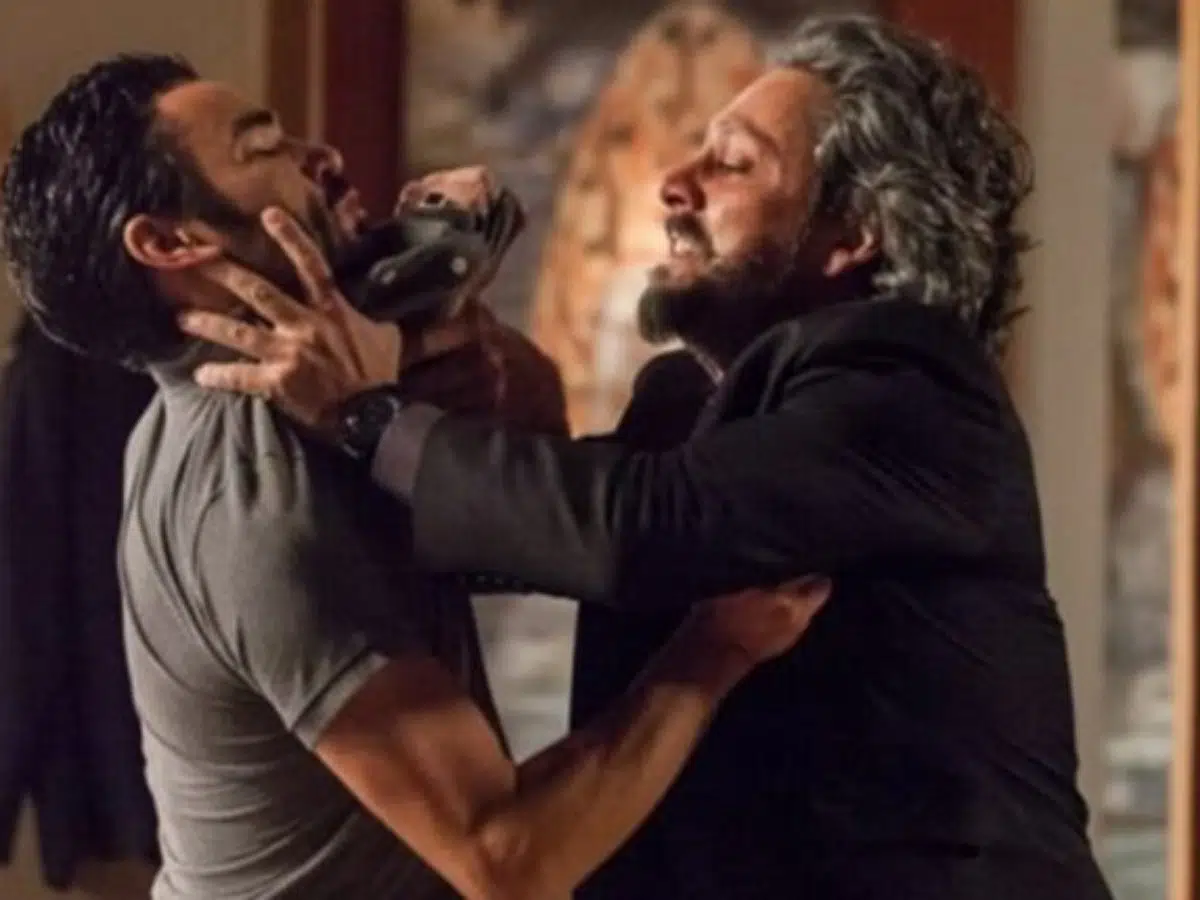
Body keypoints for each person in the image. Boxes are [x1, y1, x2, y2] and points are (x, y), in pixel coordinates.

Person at [177, 15, 1117, 900]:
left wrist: (367, 416)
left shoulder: (909, 382)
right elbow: (539, 528)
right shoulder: (689, 405)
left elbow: (637, 527)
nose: (675, 181)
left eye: (733, 163)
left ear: (854, 233)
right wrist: (432, 313)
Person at [0, 54, 832, 900]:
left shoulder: (310, 394)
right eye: (265, 149)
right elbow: (510, 859)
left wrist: (455, 315)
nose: (322, 157)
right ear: (173, 243)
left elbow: (542, 499)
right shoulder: (258, 497)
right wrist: (714, 647)